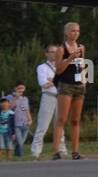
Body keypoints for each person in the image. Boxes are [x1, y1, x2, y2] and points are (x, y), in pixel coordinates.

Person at [52, 22, 89, 160]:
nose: (76, 33)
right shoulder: (61, 49)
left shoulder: (81, 48)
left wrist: (84, 80)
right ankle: (56, 151)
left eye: (78, 31)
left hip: (79, 85)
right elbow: (59, 70)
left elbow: (82, 65)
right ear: (67, 32)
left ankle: (75, 152)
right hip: (66, 85)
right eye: (73, 31)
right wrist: (70, 58)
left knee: (75, 120)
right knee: (62, 118)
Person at [31, 44, 63, 158]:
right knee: (42, 126)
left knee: (60, 125)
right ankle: (36, 151)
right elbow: (43, 84)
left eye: (56, 52)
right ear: (46, 54)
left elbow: (65, 82)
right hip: (48, 96)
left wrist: (52, 80)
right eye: (52, 52)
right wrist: (55, 80)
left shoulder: (61, 66)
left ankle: (61, 150)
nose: (54, 54)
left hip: (61, 97)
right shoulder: (42, 67)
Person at [10, 83, 32, 156]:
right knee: (20, 142)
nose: (21, 89)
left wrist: (30, 119)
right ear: (16, 88)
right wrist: (16, 97)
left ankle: (16, 153)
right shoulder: (12, 98)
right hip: (17, 124)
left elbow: (27, 110)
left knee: (22, 141)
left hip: (25, 123)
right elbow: (10, 108)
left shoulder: (25, 99)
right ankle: (21, 155)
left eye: (23, 88)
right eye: (19, 88)